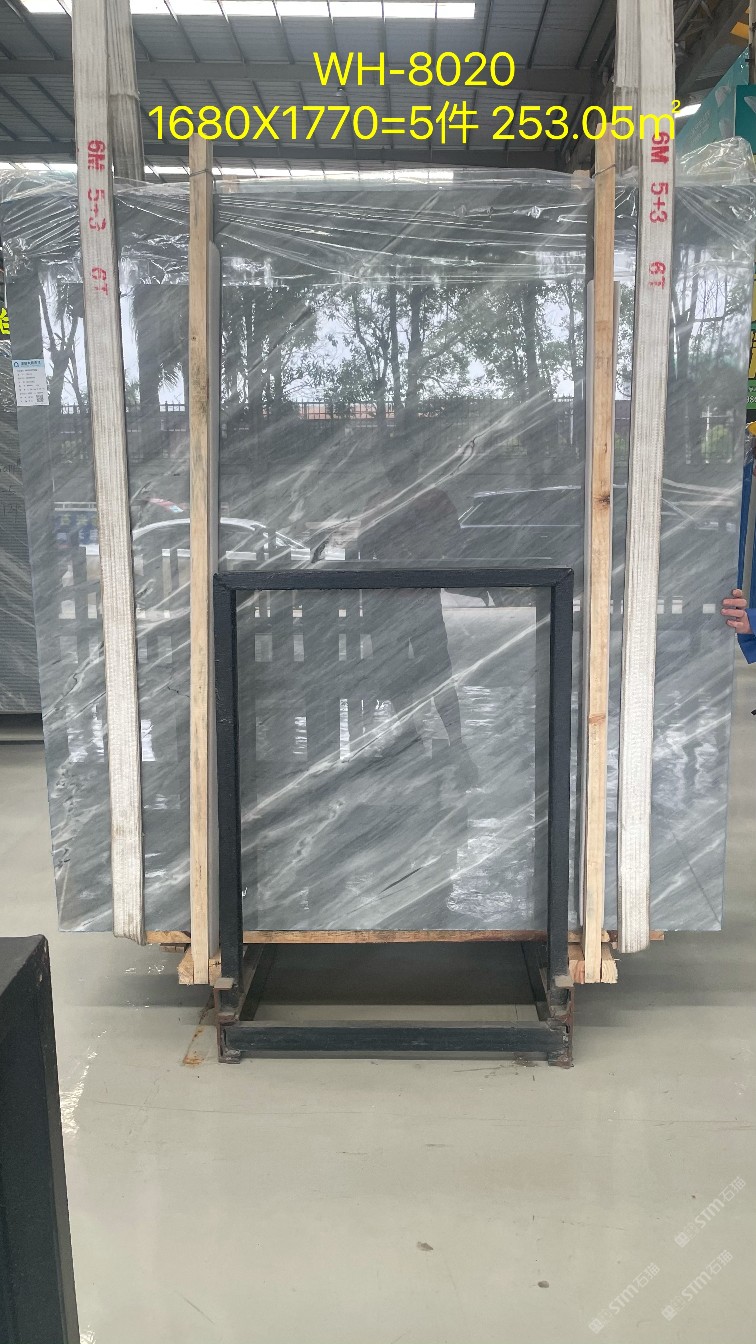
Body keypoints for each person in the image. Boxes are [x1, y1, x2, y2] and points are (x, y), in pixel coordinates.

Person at [357, 434, 479, 788]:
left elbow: (366, 548)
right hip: (404, 597)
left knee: (418, 670)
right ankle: (440, 739)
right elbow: (453, 544)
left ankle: (425, 738)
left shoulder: (393, 502)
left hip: (399, 598)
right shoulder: (427, 499)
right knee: (427, 670)